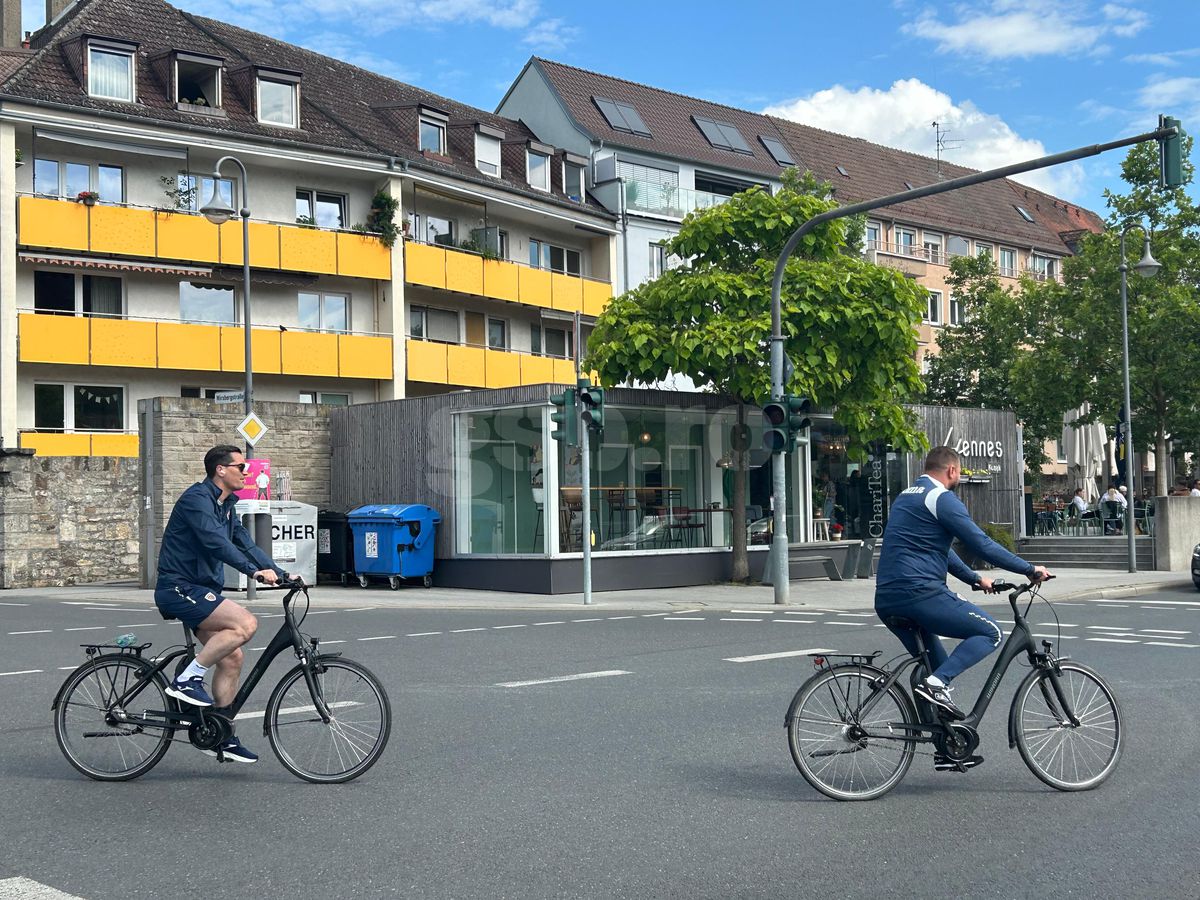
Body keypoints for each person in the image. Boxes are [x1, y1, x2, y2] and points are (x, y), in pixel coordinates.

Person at [875, 447, 1050, 770]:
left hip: (887, 598)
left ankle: (946, 748)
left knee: (935, 665)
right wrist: (1028, 569)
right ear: (952, 471)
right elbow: (981, 543)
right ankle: (935, 684)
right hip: (921, 593)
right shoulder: (941, 499)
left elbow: (937, 548)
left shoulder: (905, 497)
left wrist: (974, 578)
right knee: (990, 632)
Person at [154, 445, 291, 764]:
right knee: (246, 624)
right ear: (220, 470)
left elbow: (244, 543)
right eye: (241, 467)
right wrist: (253, 572)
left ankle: (220, 735)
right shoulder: (196, 500)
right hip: (178, 587)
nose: (246, 472)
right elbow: (215, 543)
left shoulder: (226, 505)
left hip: (200, 589)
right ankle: (187, 679)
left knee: (232, 658)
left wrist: (281, 573)